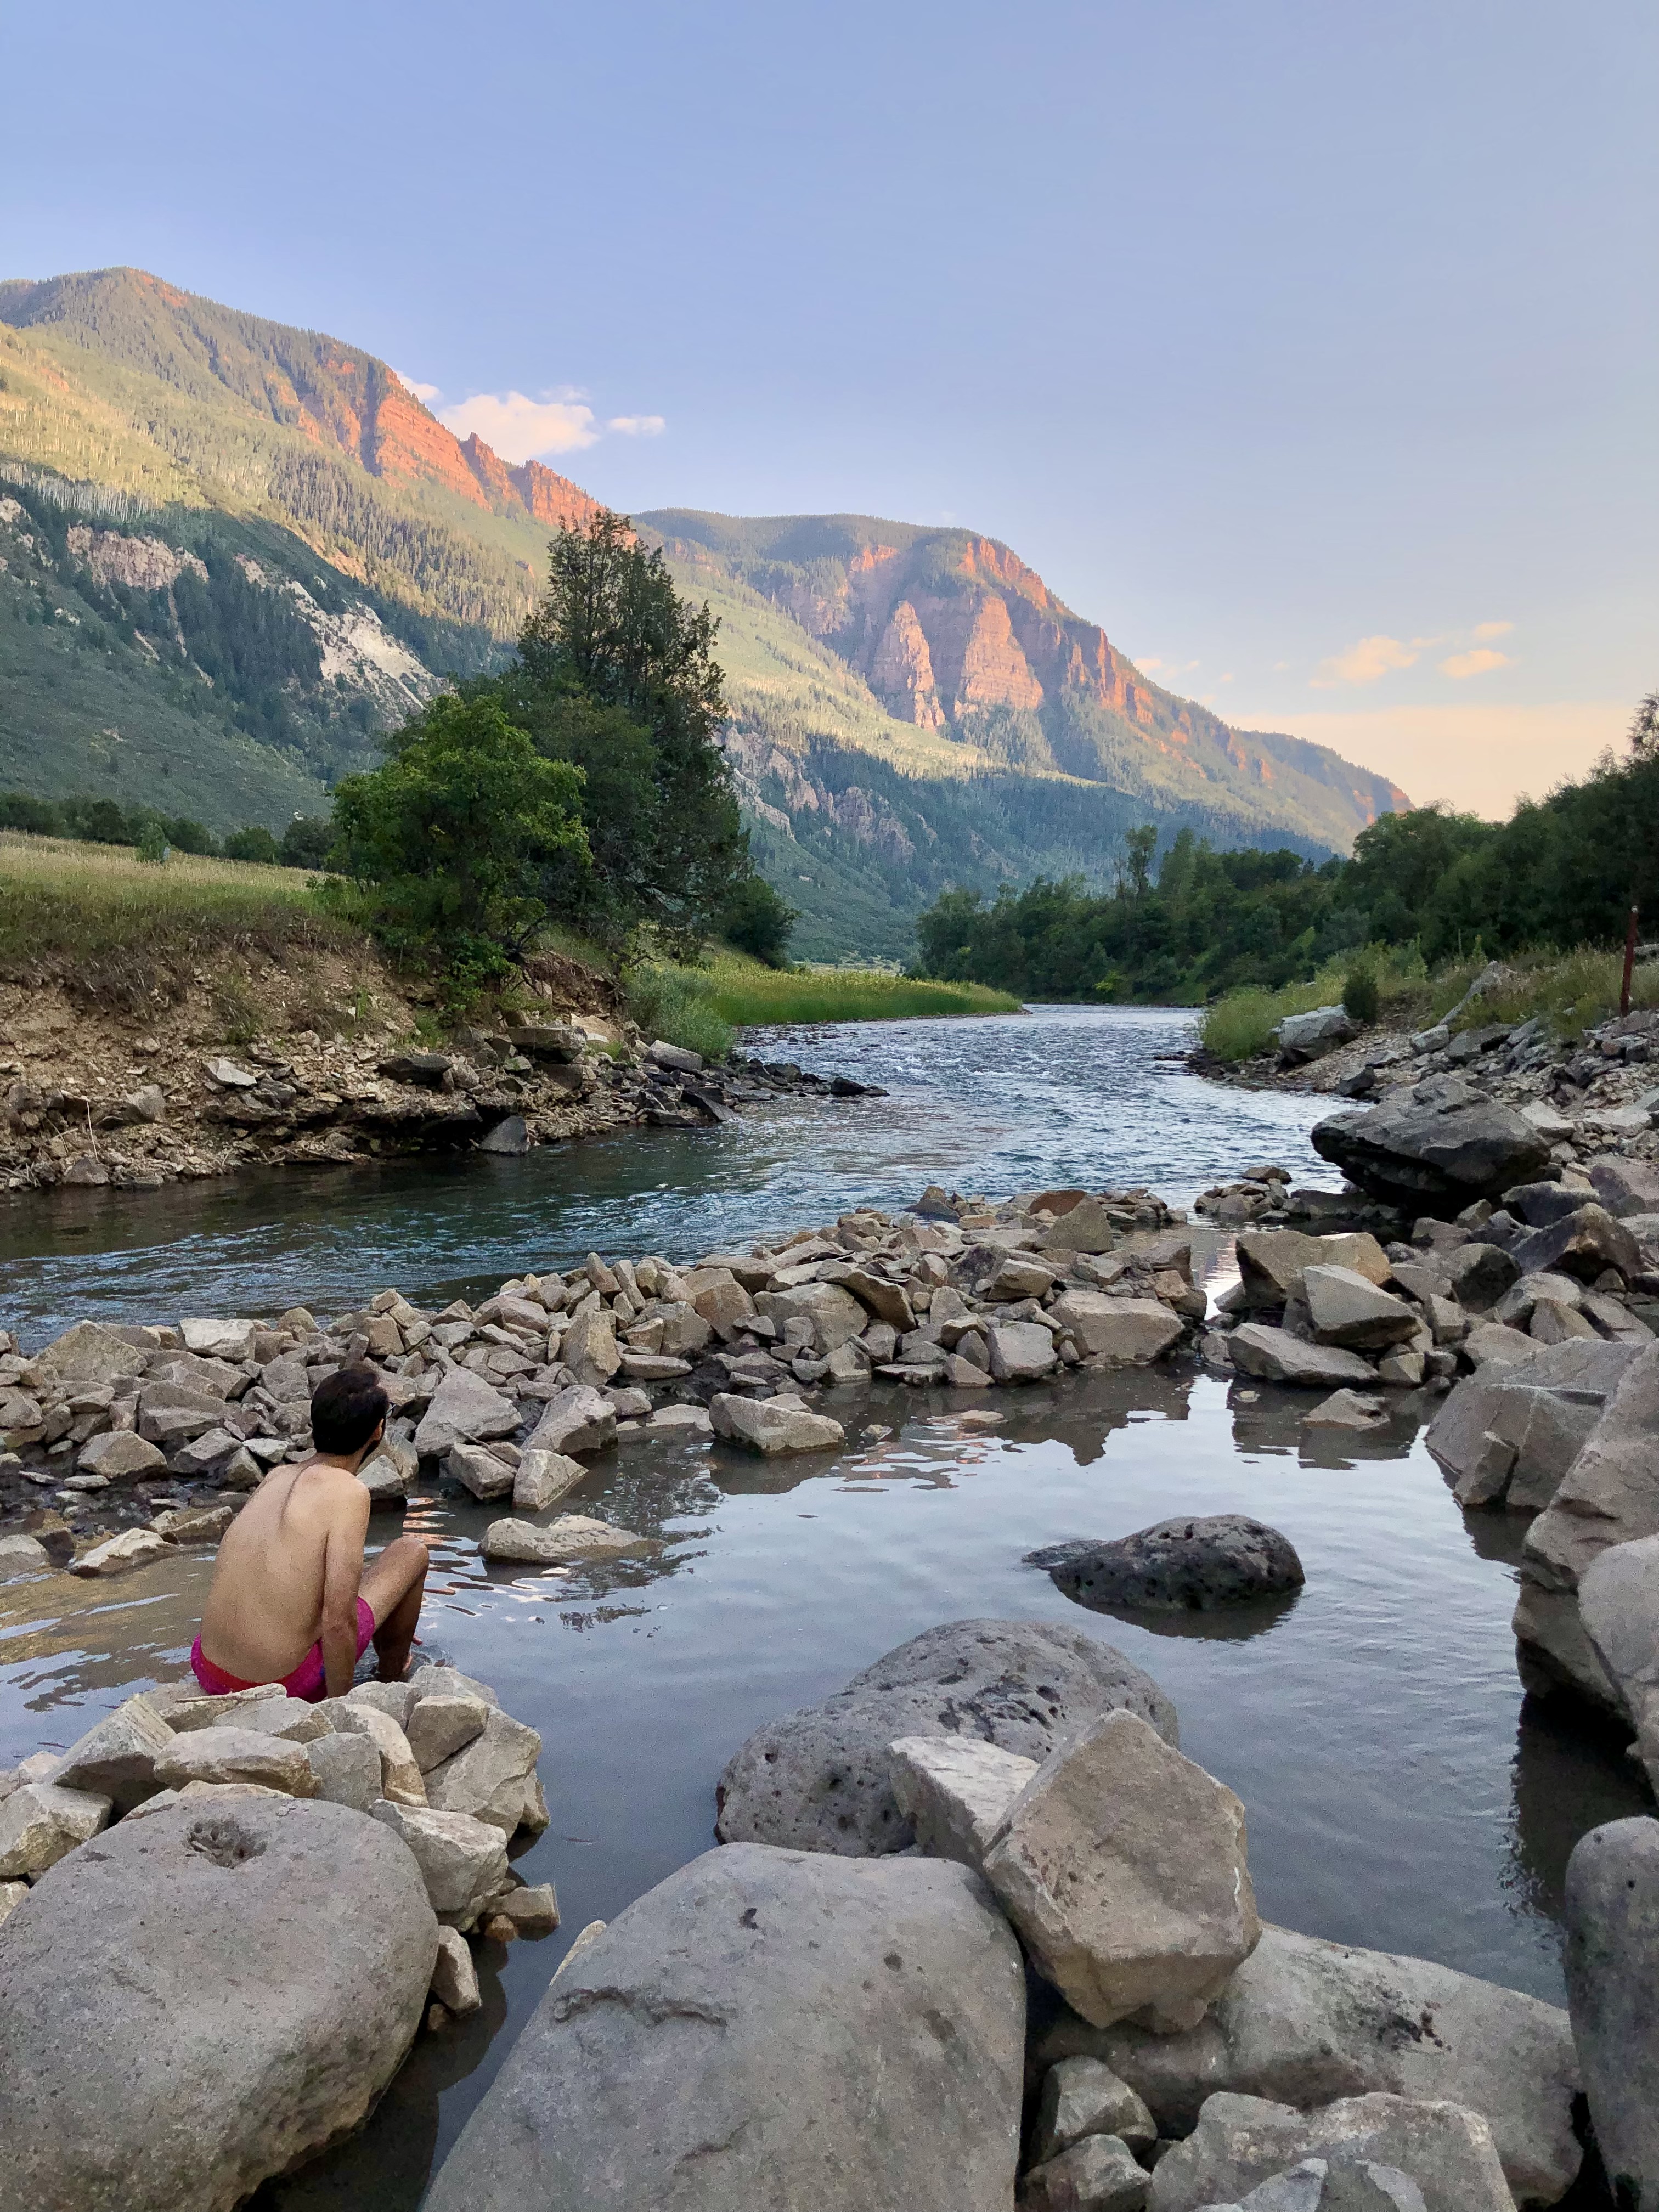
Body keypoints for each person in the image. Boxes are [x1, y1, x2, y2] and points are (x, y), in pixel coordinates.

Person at [190, 1364, 433, 1703]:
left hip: (208, 1668)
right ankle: (393, 1672)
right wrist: (341, 1709)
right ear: (377, 1431)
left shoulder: (276, 1476)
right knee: (411, 1551)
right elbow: (338, 1623)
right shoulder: (349, 1492)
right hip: (279, 1685)